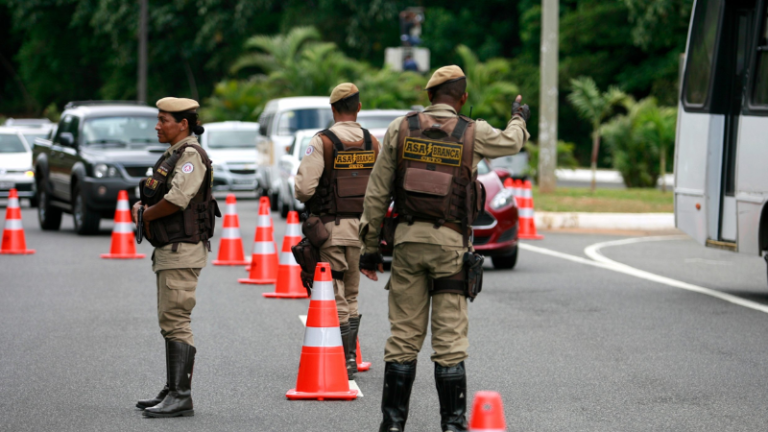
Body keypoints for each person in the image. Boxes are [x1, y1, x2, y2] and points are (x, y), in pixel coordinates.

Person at [358, 65, 530, 432]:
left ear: (429, 96)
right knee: (449, 341)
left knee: (403, 338)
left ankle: (392, 426)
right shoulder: (473, 132)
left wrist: (370, 249)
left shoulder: (400, 129)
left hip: (406, 245)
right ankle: (452, 426)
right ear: (462, 98)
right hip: (451, 249)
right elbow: (513, 142)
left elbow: (376, 192)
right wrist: (518, 118)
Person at [131, 97, 218, 418]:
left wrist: (146, 216)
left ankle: (181, 395)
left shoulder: (190, 155)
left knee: (176, 320)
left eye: (163, 120)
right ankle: (173, 387)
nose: (157, 125)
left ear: (183, 124)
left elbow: (178, 198)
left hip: (182, 249)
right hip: (172, 249)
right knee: (170, 320)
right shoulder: (176, 154)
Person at [295, 83, 380, 380]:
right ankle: (351, 357)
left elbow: (303, 189)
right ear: (358, 107)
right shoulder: (372, 141)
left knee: (335, 295)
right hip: (363, 231)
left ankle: (344, 361)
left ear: (333, 109)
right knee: (352, 294)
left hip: (330, 231)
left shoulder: (323, 141)